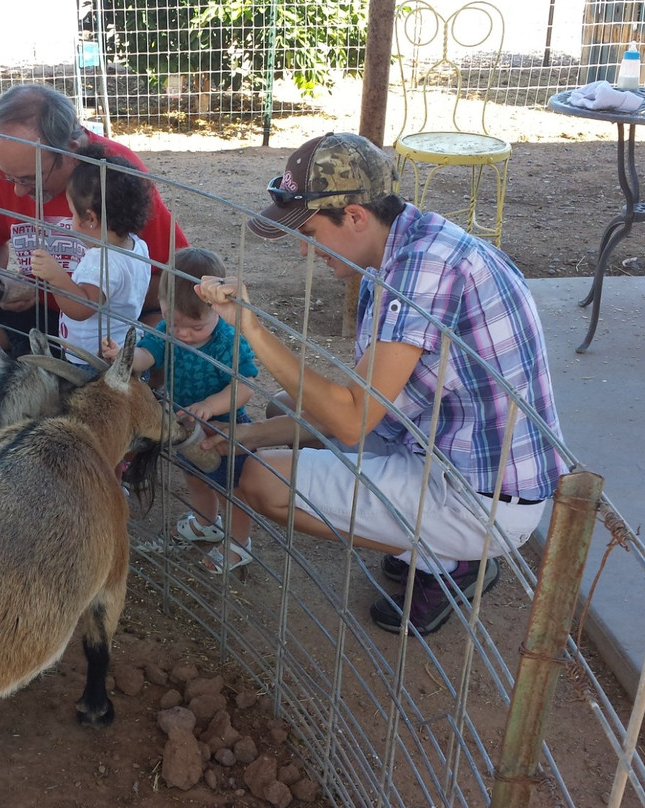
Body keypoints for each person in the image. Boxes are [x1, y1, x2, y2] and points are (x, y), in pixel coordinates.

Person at [195, 132, 568, 634]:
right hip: (438, 443)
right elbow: (371, 406)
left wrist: (252, 329)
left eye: (309, 232)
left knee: (262, 482)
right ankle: (427, 541)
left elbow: (351, 420)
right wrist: (251, 436)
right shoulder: (404, 247)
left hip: (481, 495)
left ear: (353, 216)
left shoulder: (423, 270)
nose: (307, 252)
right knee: (282, 412)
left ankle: (449, 557)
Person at [0, 83, 188, 365]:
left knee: (174, 341)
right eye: (9, 176)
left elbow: (172, 272)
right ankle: (49, 372)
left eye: (30, 178)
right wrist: (1, 286)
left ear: (71, 151)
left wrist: (97, 295)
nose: (17, 190)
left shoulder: (117, 174)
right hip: (43, 313)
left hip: (114, 326)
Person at [102, 247, 259, 574]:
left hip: (226, 429)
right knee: (195, 477)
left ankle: (239, 543)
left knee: (235, 488)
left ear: (217, 310)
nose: (183, 334)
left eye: (194, 327)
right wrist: (126, 357)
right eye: (174, 323)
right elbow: (149, 353)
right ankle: (206, 523)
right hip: (185, 427)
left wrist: (211, 405)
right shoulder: (165, 333)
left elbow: (244, 385)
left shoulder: (228, 340)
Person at [29, 146, 151, 364]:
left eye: (72, 214)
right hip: (121, 346)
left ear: (91, 219)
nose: (71, 220)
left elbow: (81, 308)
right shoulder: (137, 246)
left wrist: (55, 278)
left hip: (91, 359)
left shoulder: (102, 261)